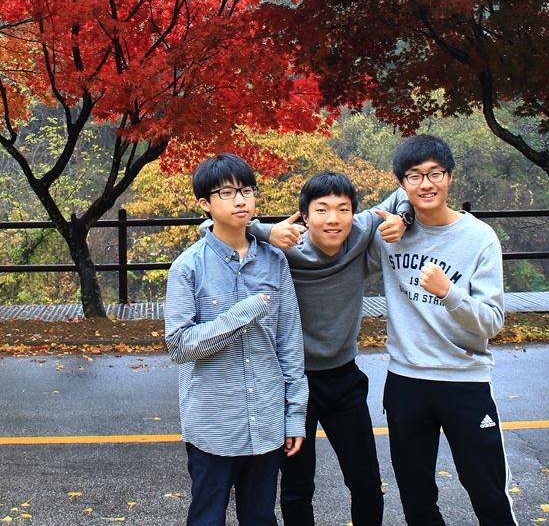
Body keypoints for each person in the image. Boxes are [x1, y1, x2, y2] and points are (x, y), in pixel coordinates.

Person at [248, 172, 412, 526]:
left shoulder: (360, 234)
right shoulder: (283, 251)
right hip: (291, 383)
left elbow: (406, 192)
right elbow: (210, 231)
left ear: (354, 213)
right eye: (321, 210)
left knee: (366, 482)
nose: (334, 219)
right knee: (296, 486)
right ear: (305, 216)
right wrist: (265, 231)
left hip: (344, 381)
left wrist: (405, 220)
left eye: (343, 209)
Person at [378, 134, 517, 526]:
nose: (426, 184)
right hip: (406, 381)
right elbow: (339, 226)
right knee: (416, 500)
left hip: (465, 381)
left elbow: (493, 321)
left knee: (488, 493)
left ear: (450, 176)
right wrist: (404, 215)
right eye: (414, 176)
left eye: (435, 173)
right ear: (401, 184)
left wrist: (450, 294)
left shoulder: (478, 238)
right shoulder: (389, 234)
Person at [165, 153, 308, 526]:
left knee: (261, 517)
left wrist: (294, 416)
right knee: (207, 518)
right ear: (205, 204)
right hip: (213, 424)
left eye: (246, 190)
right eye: (226, 193)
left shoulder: (275, 261)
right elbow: (179, 345)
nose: (240, 200)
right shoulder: (188, 267)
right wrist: (243, 312)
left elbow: (289, 344)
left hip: (266, 420)